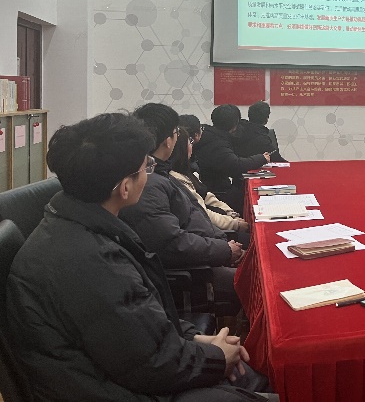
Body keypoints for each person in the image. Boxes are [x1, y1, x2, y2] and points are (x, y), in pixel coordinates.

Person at [6, 113, 272, 401]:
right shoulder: (90, 261)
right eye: (147, 167)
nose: (150, 173)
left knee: (250, 377)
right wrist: (216, 357)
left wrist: (196, 339)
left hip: (126, 373)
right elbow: (153, 364)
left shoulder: (80, 226)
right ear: (125, 187)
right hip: (115, 390)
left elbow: (142, 323)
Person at [119, 103, 244, 307]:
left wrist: (223, 243)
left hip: (207, 253)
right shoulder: (149, 184)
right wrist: (224, 250)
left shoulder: (162, 174)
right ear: (168, 140)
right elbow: (171, 243)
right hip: (196, 271)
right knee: (261, 283)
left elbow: (196, 214)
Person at [170, 126, 250, 236]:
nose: (192, 145)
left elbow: (206, 195)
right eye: (190, 142)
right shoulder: (176, 178)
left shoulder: (186, 170)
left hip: (215, 222)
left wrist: (231, 214)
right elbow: (202, 213)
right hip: (208, 232)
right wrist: (234, 224)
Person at [194, 104, 272, 213]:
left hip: (213, 186)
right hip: (217, 192)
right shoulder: (217, 144)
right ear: (235, 125)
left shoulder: (210, 134)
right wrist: (261, 158)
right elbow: (236, 165)